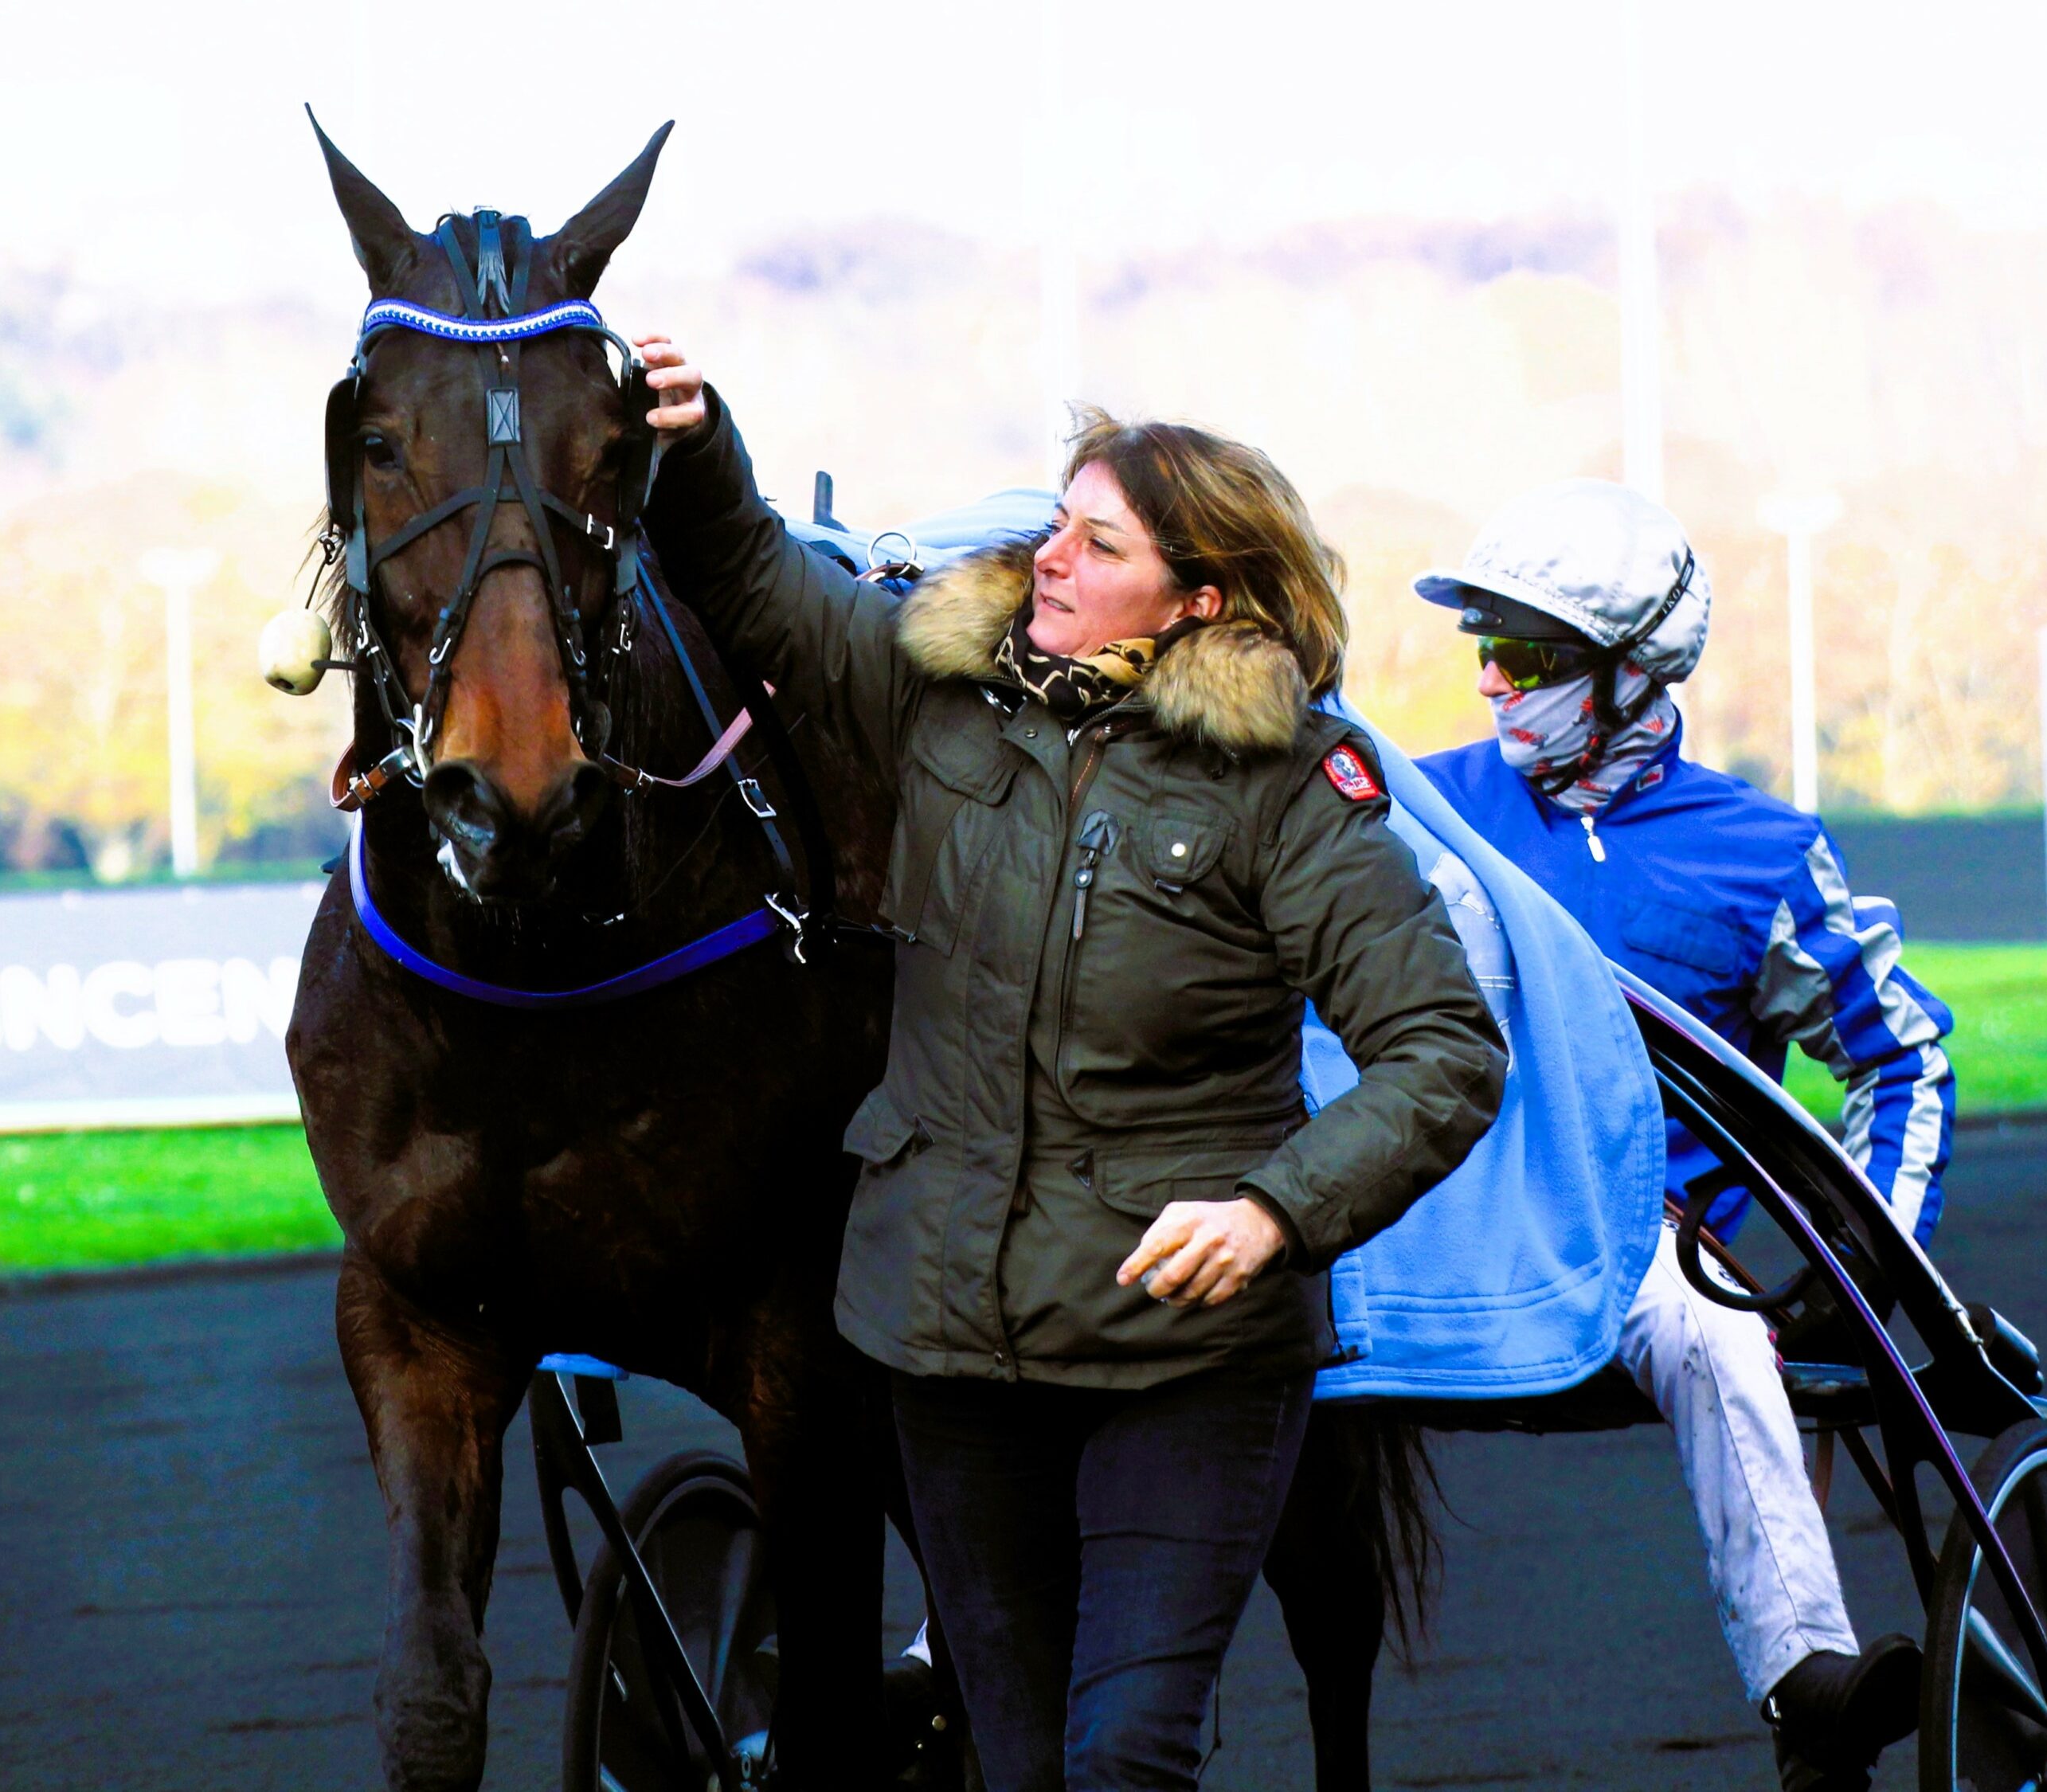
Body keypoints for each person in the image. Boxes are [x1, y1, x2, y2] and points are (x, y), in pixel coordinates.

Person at [634, 336, 1509, 1792]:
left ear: (1198, 597)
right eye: (1057, 520)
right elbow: (751, 574)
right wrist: (695, 431)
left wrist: (1276, 1212)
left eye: (1097, 541)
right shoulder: (933, 690)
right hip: (954, 1352)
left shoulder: (1290, 787)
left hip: (1188, 1360)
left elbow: (1442, 1048)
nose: (1049, 556)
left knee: (1124, 1756)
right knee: (1025, 1768)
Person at [1413, 479, 1957, 1792]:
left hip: (1629, 1250)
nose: (1491, 682)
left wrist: (1861, 1259)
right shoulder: (1419, 808)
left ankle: (1810, 1681)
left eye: (1527, 655)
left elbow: (1903, 1059)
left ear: (1629, 673)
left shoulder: (1761, 851)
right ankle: (946, 1668)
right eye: (1483, 648)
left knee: (1717, 1331)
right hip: (1414, 1226)